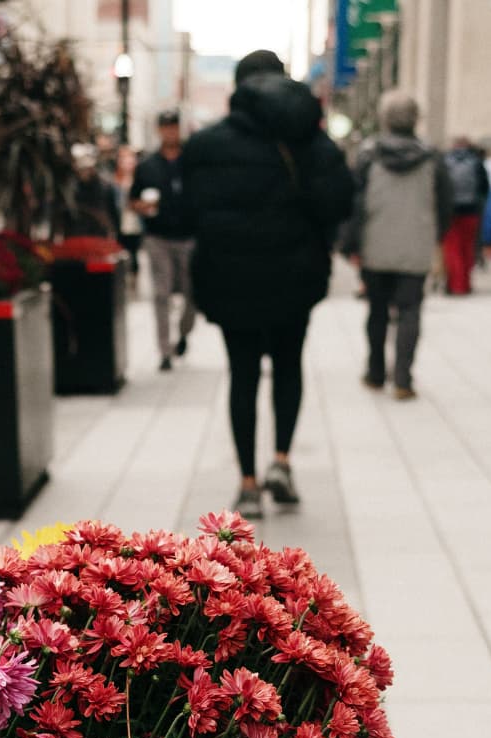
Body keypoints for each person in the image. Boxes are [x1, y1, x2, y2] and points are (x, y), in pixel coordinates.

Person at [183, 49, 353, 520]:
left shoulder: (207, 145)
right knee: (289, 365)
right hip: (294, 279)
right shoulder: (310, 143)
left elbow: (186, 216)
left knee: (242, 375)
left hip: (230, 279)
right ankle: (281, 460)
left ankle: (248, 484)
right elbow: (339, 203)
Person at [340, 91, 453, 401]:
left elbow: (355, 203)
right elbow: (445, 204)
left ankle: (376, 372)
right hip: (416, 242)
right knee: (410, 310)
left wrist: (351, 242)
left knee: (376, 310)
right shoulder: (431, 157)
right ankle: (403, 378)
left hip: (376, 244)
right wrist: (434, 236)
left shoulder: (368, 154)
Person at [132, 109, 195, 371]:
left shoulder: (191, 162)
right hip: (158, 237)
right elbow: (133, 200)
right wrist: (142, 208)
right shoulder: (148, 166)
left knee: (193, 293)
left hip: (189, 236)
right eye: (166, 127)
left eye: (174, 127)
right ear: (159, 130)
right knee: (161, 293)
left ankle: (183, 332)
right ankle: (164, 349)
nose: (171, 131)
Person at [441, 136, 489, 294]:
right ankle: (465, 283)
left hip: (450, 211)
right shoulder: (476, 162)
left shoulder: (445, 160)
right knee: (468, 248)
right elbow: (484, 188)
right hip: (471, 211)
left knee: (452, 248)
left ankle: (455, 284)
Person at [63, 144, 119, 238]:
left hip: (100, 233)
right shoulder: (71, 187)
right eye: (82, 169)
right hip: (77, 233)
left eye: (87, 168)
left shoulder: (104, 186)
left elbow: (111, 211)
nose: (85, 172)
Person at [112, 145, 142, 291]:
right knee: (121, 251)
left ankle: (133, 282)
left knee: (135, 254)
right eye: (124, 159)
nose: (128, 162)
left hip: (136, 224)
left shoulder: (140, 180)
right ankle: (122, 281)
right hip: (121, 223)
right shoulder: (113, 182)